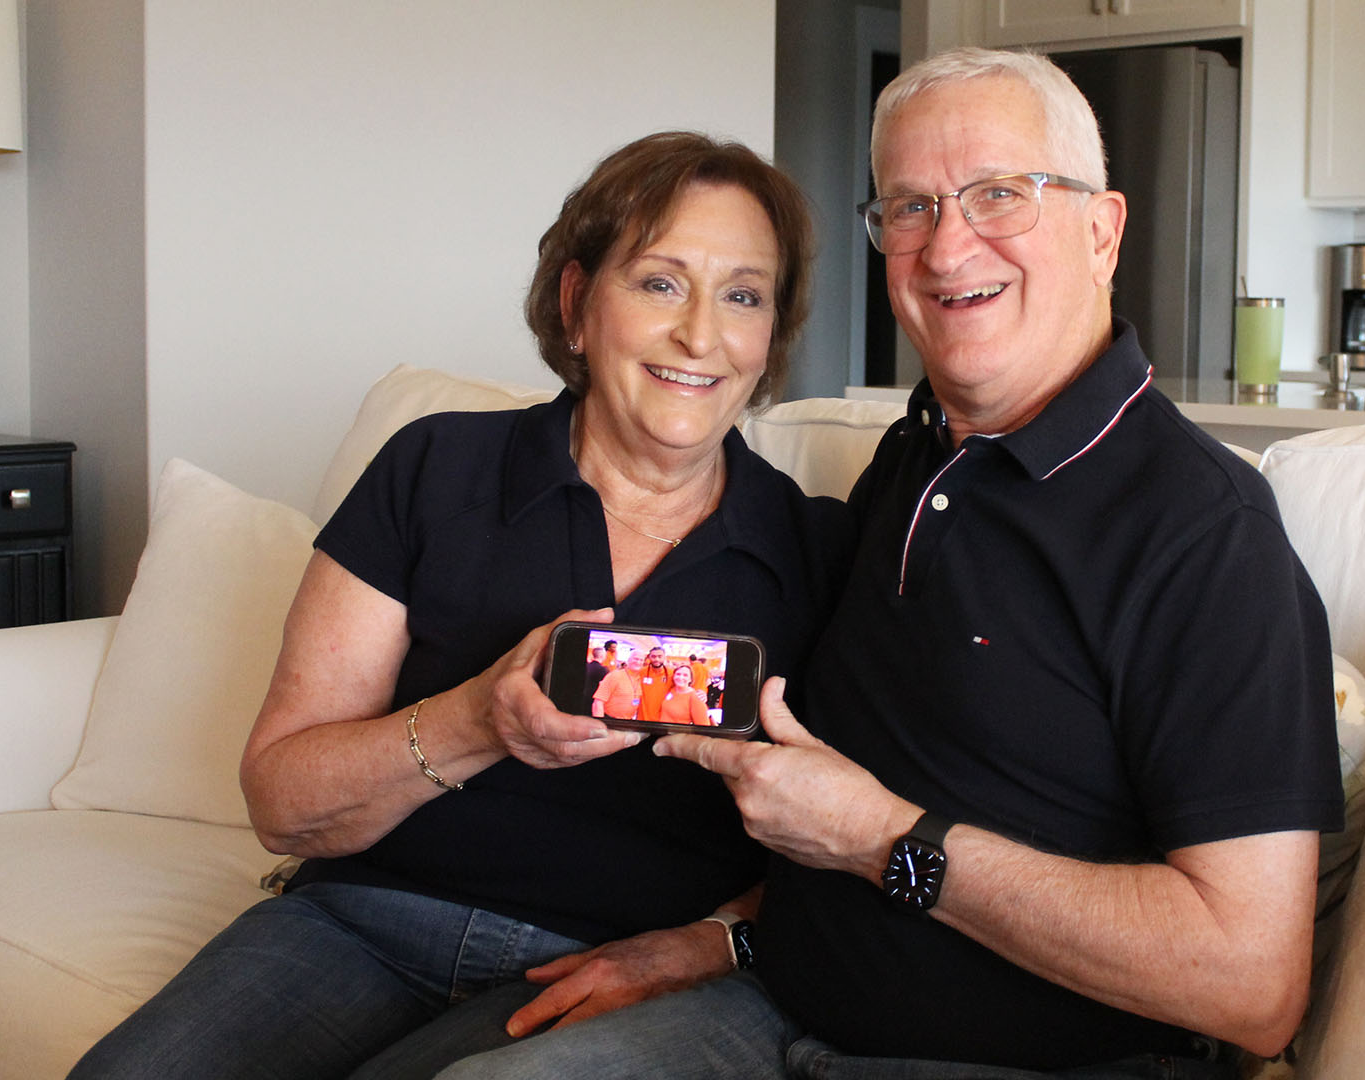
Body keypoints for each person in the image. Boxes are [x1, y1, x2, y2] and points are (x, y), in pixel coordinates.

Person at [436, 47, 1341, 1080]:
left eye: (999, 195)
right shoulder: (913, 459)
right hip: (773, 1005)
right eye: (908, 208)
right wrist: (718, 937)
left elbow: (1252, 986)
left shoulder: (1202, 530)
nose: (948, 247)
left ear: (1102, 231)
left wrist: (882, 840)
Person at [67, 130, 848, 1080]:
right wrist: (481, 719)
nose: (701, 334)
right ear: (576, 303)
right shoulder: (438, 467)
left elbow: (847, 833)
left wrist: (716, 943)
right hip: (358, 925)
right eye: (658, 281)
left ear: (771, 334)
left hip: (609, 963)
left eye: (743, 295)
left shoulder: (817, 549)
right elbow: (280, 800)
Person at [591, 646, 644, 720]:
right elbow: (598, 702)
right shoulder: (615, 675)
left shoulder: (641, 679)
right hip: (610, 720)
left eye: (641, 660)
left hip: (628, 722)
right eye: (636, 659)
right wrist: (599, 724)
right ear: (628, 660)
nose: (638, 662)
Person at [638, 645, 673, 722]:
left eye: (660, 656)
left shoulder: (671, 674)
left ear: (664, 658)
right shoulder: (641, 672)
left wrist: (700, 692)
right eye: (653, 656)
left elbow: (683, 688)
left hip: (662, 719)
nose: (656, 659)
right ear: (649, 657)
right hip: (642, 717)